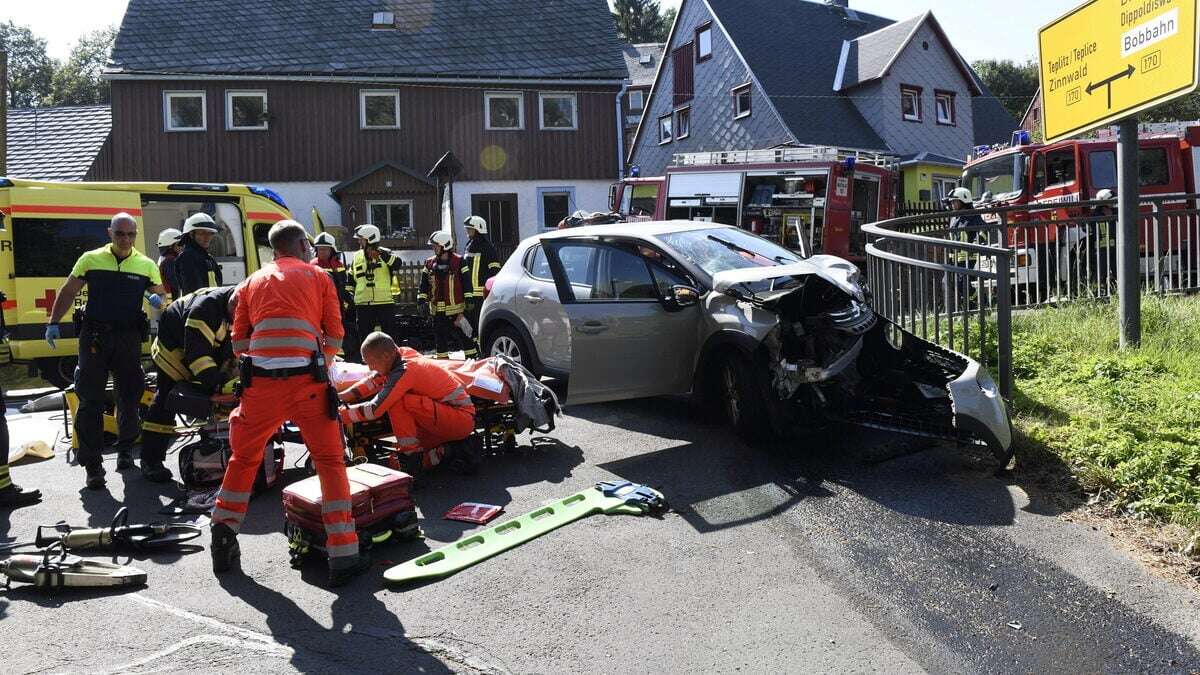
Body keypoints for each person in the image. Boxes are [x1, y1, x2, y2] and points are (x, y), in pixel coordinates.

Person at [210, 220, 366, 587]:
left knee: (244, 458)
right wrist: (319, 363)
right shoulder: (318, 277)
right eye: (308, 244)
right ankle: (344, 555)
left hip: (261, 387)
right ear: (298, 245)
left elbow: (238, 344)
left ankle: (222, 530)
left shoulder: (251, 282)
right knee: (329, 461)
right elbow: (335, 334)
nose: (311, 249)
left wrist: (270, 357)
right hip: (307, 384)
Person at [45, 212, 165, 489]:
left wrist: (155, 297)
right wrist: (53, 323)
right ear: (109, 233)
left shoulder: (145, 264)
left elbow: (160, 295)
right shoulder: (91, 259)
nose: (125, 239)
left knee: (130, 397)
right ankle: (93, 466)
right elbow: (68, 291)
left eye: (130, 234)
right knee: (90, 400)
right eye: (120, 233)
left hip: (128, 337)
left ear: (135, 235)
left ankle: (125, 452)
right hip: (95, 337)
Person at [140, 285, 239, 482]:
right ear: (232, 305)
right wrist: (215, 387)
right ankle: (151, 461)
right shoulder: (205, 310)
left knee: (228, 395)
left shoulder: (242, 305)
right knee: (167, 398)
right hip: (173, 346)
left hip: (208, 347)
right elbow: (199, 358)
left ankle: (222, 451)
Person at [339, 331, 475, 471]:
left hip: (459, 419)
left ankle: (412, 459)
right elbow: (373, 381)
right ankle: (448, 451)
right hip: (450, 417)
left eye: (371, 363)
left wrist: (338, 415)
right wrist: (340, 397)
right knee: (395, 463)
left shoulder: (405, 370)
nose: (370, 368)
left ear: (386, 356)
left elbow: (375, 409)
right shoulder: (401, 354)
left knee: (398, 401)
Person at [418, 231, 476, 359]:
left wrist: (469, 299)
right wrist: (421, 301)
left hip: (458, 310)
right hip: (437, 310)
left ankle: (472, 361)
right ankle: (443, 364)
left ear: (445, 246)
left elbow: (466, 282)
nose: (433, 248)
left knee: (467, 336)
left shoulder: (459, 261)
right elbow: (423, 285)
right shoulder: (429, 263)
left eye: (436, 246)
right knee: (440, 340)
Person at [348, 224, 401, 343]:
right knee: (364, 336)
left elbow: (397, 264)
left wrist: (381, 254)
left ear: (370, 239)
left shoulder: (385, 253)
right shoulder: (356, 256)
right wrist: (350, 295)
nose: (359, 242)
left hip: (384, 302)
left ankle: (394, 358)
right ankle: (366, 359)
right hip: (363, 304)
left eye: (361, 239)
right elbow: (350, 279)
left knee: (390, 335)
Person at [311, 232, 359, 361]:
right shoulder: (313, 266)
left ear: (332, 249)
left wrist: (348, 301)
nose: (322, 252)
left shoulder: (338, 265)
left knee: (348, 338)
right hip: (321, 309)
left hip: (339, 308)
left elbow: (342, 286)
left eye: (325, 249)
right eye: (320, 249)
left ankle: (350, 362)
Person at [461, 216, 501, 340]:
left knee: (479, 324)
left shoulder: (488, 248)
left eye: (469, 229)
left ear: (478, 229)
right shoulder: (469, 246)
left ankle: (481, 352)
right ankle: (472, 349)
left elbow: (495, 272)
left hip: (481, 296)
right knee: (469, 324)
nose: (467, 231)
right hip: (469, 294)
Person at [175, 212, 224, 296]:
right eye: (202, 233)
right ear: (191, 234)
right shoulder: (187, 257)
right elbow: (194, 292)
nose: (207, 237)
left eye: (210, 233)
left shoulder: (207, 257)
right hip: (200, 308)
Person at [157, 228, 184, 300]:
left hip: (169, 301)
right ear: (170, 246)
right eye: (179, 244)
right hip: (174, 301)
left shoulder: (164, 259)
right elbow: (176, 283)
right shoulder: (170, 260)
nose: (182, 246)